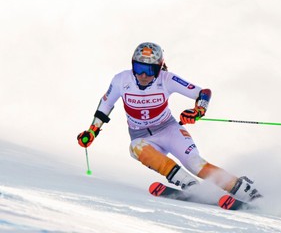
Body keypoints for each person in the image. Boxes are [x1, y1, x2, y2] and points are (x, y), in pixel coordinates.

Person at [77, 42, 262, 203]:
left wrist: (198, 111)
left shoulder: (167, 79)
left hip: (169, 130)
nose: (143, 75)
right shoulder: (121, 80)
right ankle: (190, 186)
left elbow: (203, 92)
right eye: (138, 68)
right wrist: (93, 131)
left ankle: (245, 190)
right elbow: (106, 104)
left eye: (149, 70)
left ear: (160, 67)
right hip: (142, 137)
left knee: (195, 164)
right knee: (135, 147)